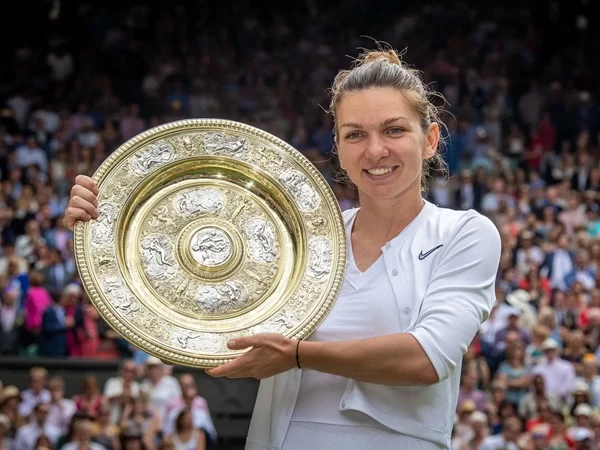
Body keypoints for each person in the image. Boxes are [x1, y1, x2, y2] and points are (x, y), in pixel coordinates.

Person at [63, 48, 502, 449]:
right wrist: (105, 224)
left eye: (394, 130)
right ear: (338, 148)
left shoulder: (464, 233)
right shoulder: (301, 241)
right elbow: (203, 325)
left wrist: (296, 356)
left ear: (430, 139)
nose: (375, 150)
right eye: (354, 135)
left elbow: (426, 359)